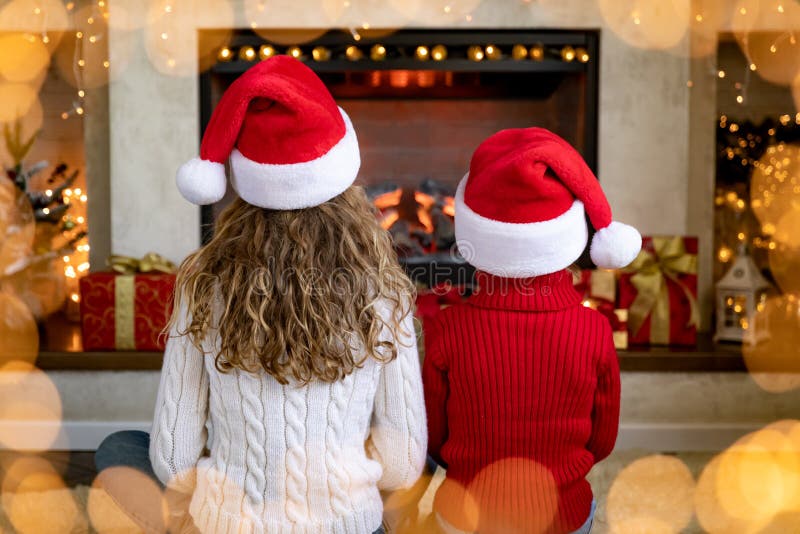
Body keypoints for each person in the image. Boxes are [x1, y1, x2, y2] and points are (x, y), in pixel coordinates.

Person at [95, 56, 427, 534]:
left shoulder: (205, 285)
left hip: (231, 524)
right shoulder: (384, 291)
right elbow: (401, 463)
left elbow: (173, 458)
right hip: (348, 524)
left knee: (118, 449)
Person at [422, 128, 641, 534]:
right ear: (569, 234)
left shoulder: (446, 328)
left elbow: (434, 439)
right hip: (562, 514)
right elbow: (602, 441)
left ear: (474, 231)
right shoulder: (594, 329)